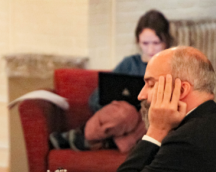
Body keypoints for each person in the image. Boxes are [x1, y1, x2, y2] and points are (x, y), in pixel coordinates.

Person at [50, 9, 173, 151]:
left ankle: (87, 139)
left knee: (154, 117)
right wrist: (116, 105)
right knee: (126, 113)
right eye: (145, 43)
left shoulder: (173, 66)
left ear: (166, 41)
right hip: (122, 118)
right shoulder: (129, 64)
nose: (151, 49)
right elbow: (95, 99)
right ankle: (93, 135)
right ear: (138, 40)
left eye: (156, 43)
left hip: (147, 122)